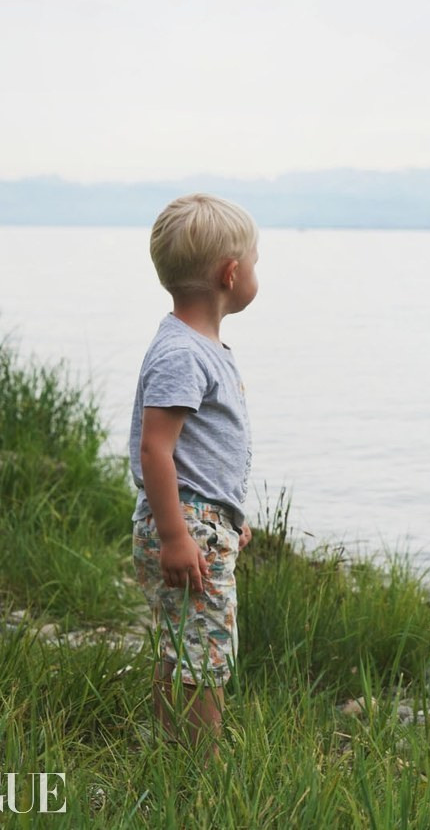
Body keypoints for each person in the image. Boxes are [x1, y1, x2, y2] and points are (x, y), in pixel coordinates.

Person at [129, 193, 260, 758]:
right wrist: (181, 535)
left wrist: (229, 519)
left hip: (203, 521)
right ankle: (201, 770)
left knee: (182, 646)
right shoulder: (184, 353)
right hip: (188, 523)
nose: (256, 271)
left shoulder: (199, 346)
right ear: (231, 273)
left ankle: (168, 752)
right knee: (205, 657)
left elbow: (201, 451)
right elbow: (156, 451)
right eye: (256, 261)